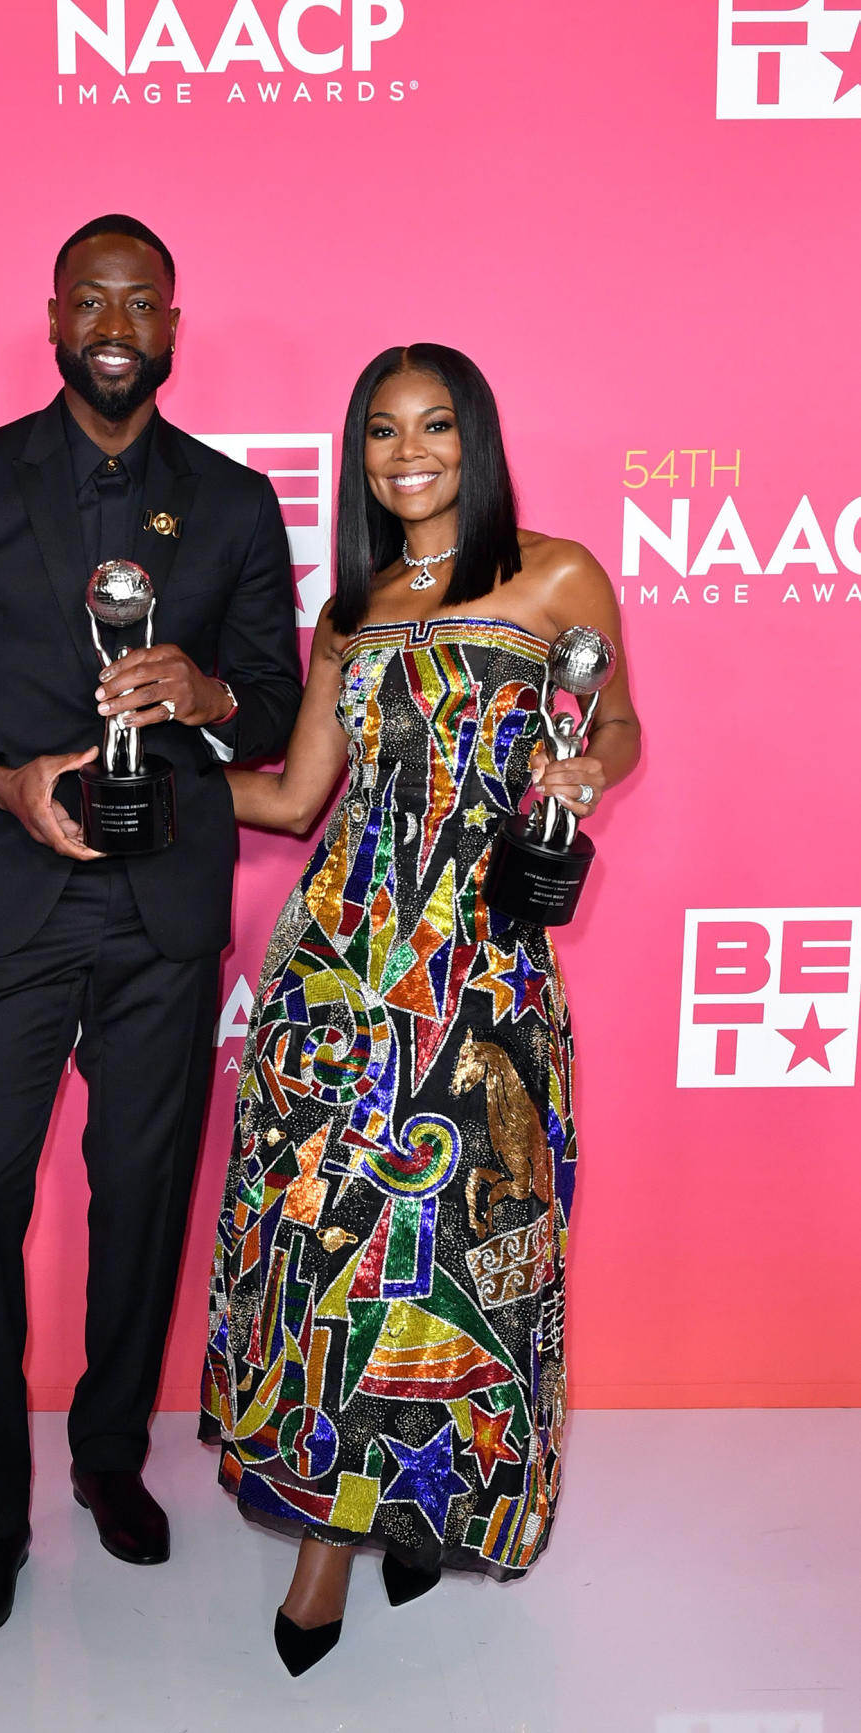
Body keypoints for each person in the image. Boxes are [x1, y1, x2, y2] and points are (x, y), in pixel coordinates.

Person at [0, 214, 302, 1642]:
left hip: (165, 904)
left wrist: (207, 694)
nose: (116, 319)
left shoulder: (230, 505)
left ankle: (108, 1454)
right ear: (52, 319)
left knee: (141, 1195)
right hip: (11, 897)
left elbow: (283, 711)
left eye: (142, 299)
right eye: (91, 297)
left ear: (173, 325)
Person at [199, 344, 641, 1674]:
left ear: (476, 437)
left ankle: (424, 1496)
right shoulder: (347, 612)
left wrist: (584, 765)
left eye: (434, 426)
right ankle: (326, 1542)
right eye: (383, 431)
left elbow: (619, 727)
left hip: (488, 974)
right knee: (331, 1246)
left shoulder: (555, 575)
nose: (408, 453)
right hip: (337, 975)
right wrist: (153, 767)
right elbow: (289, 801)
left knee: (458, 1244)